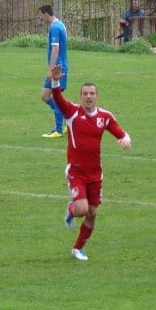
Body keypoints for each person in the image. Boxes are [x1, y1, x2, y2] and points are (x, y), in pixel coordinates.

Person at [49, 64, 132, 261]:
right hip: (76, 172)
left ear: (97, 96)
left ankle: (77, 248)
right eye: (85, 93)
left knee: (92, 213)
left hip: (95, 173)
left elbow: (118, 130)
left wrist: (125, 138)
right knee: (82, 209)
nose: (88, 96)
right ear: (80, 97)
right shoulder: (72, 113)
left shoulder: (104, 116)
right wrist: (55, 80)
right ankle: (71, 210)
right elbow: (58, 99)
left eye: (92, 93)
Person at [39, 4, 69, 138]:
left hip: (58, 69)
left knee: (51, 98)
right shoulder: (60, 24)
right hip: (61, 67)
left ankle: (58, 130)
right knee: (48, 97)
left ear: (46, 13)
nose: (41, 18)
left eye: (41, 15)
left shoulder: (55, 27)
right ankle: (67, 118)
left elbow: (55, 49)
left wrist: (51, 70)